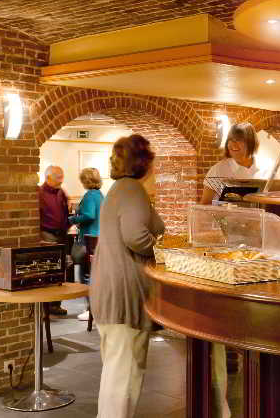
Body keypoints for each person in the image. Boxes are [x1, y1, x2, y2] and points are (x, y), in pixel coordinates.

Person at [91, 134, 165, 418]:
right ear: (143, 162)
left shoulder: (120, 189)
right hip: (124, 292)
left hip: (108, 287)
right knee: (124, 376)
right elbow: (136, 237)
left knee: (115, 372)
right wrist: (162, 251)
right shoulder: (132, 190)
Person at [68, 167, 104, 322]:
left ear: (86, 180)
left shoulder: (90, 195)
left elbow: (89, 215)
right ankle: (95, 309)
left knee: (86, 275)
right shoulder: (100, 195)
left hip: (88, 239)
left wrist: (73, 219)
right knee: (93, 275)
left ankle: (91, 311)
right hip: (98, 238)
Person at [200, 122, 268, 204]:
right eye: (230, 140)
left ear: (251, 142)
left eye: (239, 140)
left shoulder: (266, 170)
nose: (233, 144)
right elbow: (205, 204)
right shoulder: (218, 169)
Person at [38, 165, 70, 316]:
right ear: (48, 178)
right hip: (47, 234)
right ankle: (47, 305)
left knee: (60, 269)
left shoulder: (61, 192)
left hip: (61, 234)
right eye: (58, 177)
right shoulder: (39, 193)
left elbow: (65, 212)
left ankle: (56, 304)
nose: (61, 180)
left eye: (62, 177)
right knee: (49, 268)